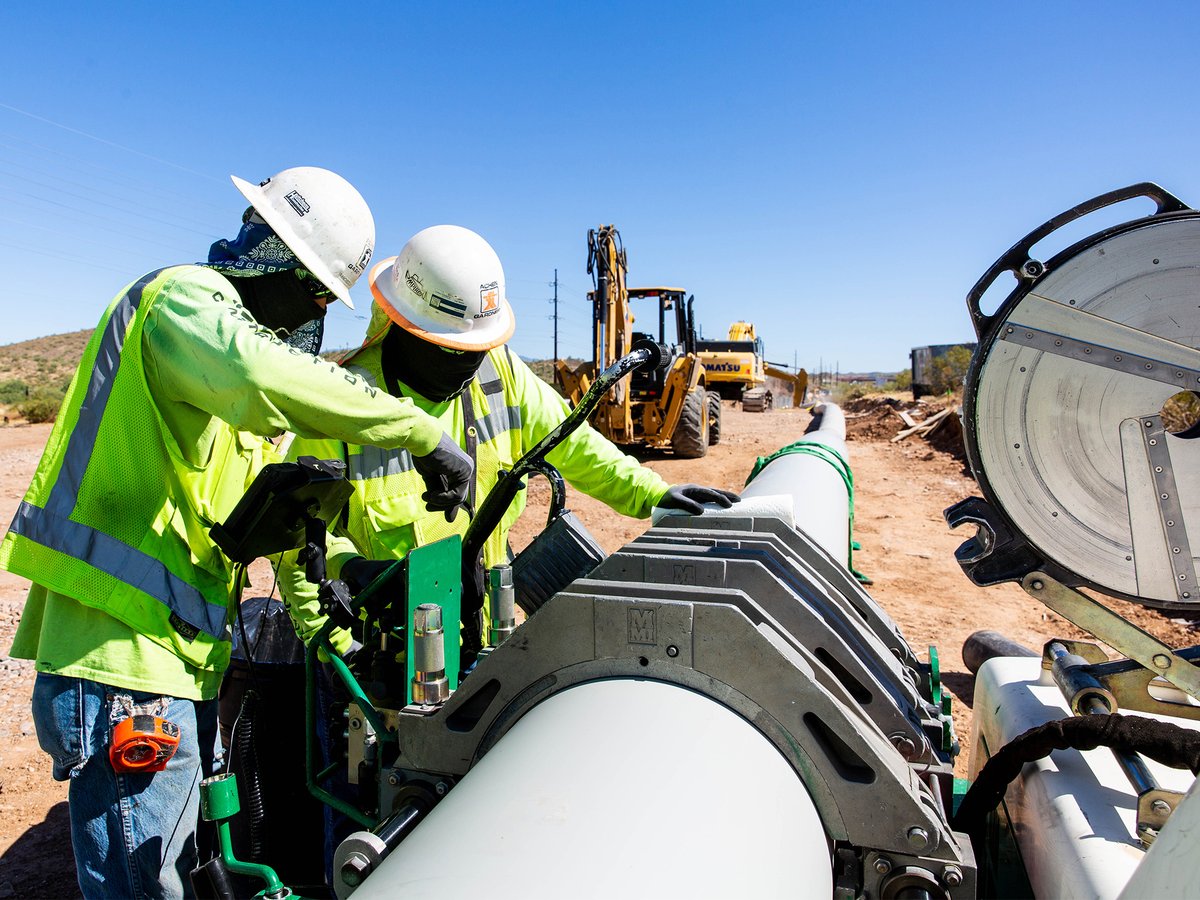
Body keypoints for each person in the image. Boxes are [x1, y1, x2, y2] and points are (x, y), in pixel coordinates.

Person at [0, 167, 473, 900]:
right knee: (146, 888)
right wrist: (419, 431)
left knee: (186, 874)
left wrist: (326, 596)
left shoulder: (226, 379)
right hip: (118, 661)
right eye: (316, 292)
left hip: (176, 666)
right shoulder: (183, 303)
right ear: (275, 258)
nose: (318, 312)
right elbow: (263, 373)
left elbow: (266, 519)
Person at [277, 223, 738, 657]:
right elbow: (295, 541)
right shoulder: (342, 405)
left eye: (476, 350)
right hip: (383, 653)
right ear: (405, 325)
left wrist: (652, 494)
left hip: (489, 636)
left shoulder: (500, 373)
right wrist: (339, 650)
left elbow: (573, 442)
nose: (468, 366)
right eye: (453, 351)